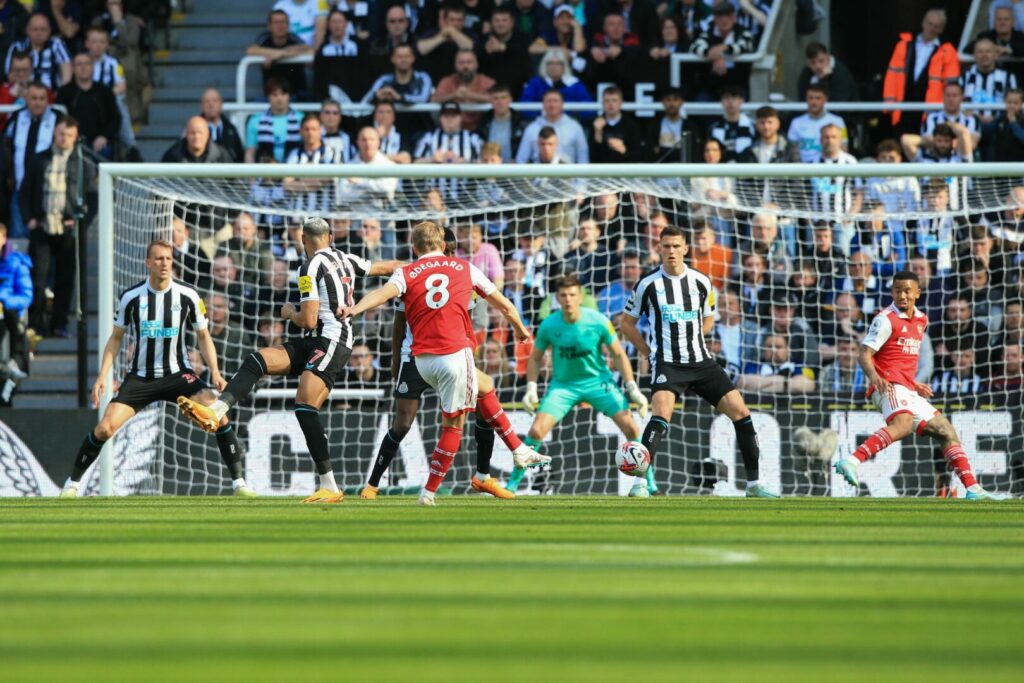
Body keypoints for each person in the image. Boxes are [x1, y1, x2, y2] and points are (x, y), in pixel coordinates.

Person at [177, 217, 401, 504]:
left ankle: (329, 485)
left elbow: (307, 319)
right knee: (258, 360)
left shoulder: (308, 267)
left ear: (303, 241)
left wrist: (287, 313)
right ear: (330, 237)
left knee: (305, 407)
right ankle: (217, 409)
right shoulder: (345, 258)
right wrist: (422, 265)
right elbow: (385, 267)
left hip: (331, 340)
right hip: (316, 340)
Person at [340, 221, 547, 506]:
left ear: (415, 247)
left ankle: (503, 460)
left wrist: (354, 309)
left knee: (484, 387)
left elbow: (381, 295)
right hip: (439, 354)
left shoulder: (408, 273)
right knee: (441, 425)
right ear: (442, 246)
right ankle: (426, 490)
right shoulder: (464, 269)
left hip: (422, 356)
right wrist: (522, 330)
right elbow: (505, 305)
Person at [59, 240, 252, 498]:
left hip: (178, 375)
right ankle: (71, 484)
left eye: (168, 259)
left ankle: (239, 484)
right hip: (141, 378)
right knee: (105, 428)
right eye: (159, 259)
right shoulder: (131, 297)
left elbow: (204, 337)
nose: (164, 264)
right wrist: (102, 375)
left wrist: (215, 372)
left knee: (219, 416)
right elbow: (116, 338)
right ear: (148, 263)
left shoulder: (189, 295)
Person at [620, 226, 780, 498]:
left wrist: (695, 334)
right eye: (666, 246)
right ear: (659, 248)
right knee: (660, 415)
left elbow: (709, 317)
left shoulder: (701, 282)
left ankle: (754, 485)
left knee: (741, 413)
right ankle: (640, 484)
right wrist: (648, 351)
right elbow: (626, 324)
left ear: (685, 249)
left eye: (676, 246)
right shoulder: (648, 284)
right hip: (668, 363)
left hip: (701, 361)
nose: (671, 251)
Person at [833, 271, 1001, 500]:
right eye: (897, 290)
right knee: (902, 425)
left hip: (907, 387)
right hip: (888, 385)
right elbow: (864, 354)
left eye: (907, 290)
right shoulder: (885, 319)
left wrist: (914, 383)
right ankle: (851, 461)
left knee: (946, 431)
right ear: (892, 292)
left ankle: (972, 488)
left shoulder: (922, 320)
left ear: (917, 293)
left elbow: (900, 358)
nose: (902, 295)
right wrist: (874, 377)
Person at [514, 274, 651, 495]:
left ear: (580, 297)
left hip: (599, 382)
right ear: (557, 299)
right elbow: (536, 357)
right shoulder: (549, 325)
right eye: (563, 295)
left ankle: (648, 484)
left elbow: (618, 354)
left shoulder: (598, 321)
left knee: (632, 427)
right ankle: (512, 485)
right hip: (563, 386)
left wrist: (632, 387)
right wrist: (531, 387)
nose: (568, 299)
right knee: (537, 431)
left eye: (572, 295)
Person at [21, 117, 93, 338]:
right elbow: (25, 191)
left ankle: (59, 324)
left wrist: (80, 220)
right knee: (39, 278)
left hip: (68, 230)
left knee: (65, 279)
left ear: (76, 137)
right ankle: (36, 323)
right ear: (54, 133)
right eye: (62, 134)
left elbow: (93, 198)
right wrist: (29, 218)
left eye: (70, 135)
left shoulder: (83, 163)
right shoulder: (39, 160)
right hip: (42, 226)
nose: (65, 139)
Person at [882, 9, 960, 135]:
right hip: (902, 104)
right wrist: (889, 104)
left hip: (930, 109)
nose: (932, 28)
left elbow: (950, 84)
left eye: (936, 26)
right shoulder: (904, 44)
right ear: (923, 23)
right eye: (930, 24)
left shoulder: (947, 51)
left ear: (941, 30)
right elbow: (892, 75)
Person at [689, 1, 755, 100]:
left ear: (734, 18)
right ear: (715, 19)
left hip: (737, 85)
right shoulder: (708, 33)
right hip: (712, 86)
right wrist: (713, 56)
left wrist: (725, 48)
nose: (724, 20)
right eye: (720, 16)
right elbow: (694, 47)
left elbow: (745, 46)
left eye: (728, 16)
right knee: (701, 100)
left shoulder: (743, 32)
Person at [55, 52, 119, 155]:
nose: (83, 67)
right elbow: (58, 118)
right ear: (73, 68)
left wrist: (104, 136)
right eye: (79, 64)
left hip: (99, 142)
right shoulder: (64, 92)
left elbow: (115, 118)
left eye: (87, 64)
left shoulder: (104, 91)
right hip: (70, 140)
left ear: (93, 67)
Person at [247, 9, 312, 97]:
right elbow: (251, 50)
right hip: (270, 96)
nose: (280, 26)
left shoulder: (293, 38)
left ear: (288, 25)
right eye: (276, 22)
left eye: (283, 22)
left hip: (297, 93)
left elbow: (310, 50)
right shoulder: (264, 38)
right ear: (269, 26)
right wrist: (283, 53)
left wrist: (279, 55)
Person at [516, 89, 589, 163]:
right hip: (538, 173)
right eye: (548, 101)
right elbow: (521, 160)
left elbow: (583, 158)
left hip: (569, 173)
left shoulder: (575, 128)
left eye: (555, 101)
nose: (552, 105)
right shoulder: (531, 129)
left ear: (562, 104)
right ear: (543, 104)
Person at [430, 49, 495, 132]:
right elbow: (434, 99)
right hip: (451, 131)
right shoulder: (447, 81)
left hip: (482, 130)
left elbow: (497, 98)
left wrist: (469, 95)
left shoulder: (486, 81)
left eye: (469, 62)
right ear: (455, 65)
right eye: (461, 63)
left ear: (476, 64)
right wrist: (454, 94)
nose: (465, 66)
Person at [3, 12, 71, 90]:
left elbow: (67, 73)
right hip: (22, 94)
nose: (39, 33)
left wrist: (62, 93)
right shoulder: (17, 47)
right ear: (27, 30)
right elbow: (9, 75)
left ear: (49, 31)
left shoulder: (56, 45)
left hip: (51, 96)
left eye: (43, 30)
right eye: (35, 29)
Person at [416, 1, 477, 83]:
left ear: (464, 21)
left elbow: (470, 47)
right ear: (445, 20)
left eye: (459, 20)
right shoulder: (431, 33)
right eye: (452, 20)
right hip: (433, 80)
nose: (455, 23)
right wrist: (442, 37)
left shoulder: (470, 34)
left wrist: (453, 33)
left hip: (461, 81)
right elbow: (421, 49)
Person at [786, 83, 848, 164]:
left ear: (825, 99)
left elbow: (844, 148)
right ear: (806, 99)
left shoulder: (838, 121)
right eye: (810, 98)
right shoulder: (796, 122)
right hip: (803, 171)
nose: (814, 102)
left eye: (818, 98)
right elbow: (792, 151)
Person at [0, 222, 31, 378]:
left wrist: (4, 301)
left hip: (9, 312)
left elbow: (26, 296)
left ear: (4, 238)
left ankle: (14, 360)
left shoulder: (17, 263)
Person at [243, 79, 302, 163]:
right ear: (268, 97)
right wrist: (251, 175)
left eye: (283, 94)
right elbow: (250, 153)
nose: (279, 99)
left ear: (289, 96)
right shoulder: (255, 121)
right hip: (265, 173)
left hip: (295, 172)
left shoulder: (301, 119)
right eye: (275, 95)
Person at [961, 37, 1017, 123]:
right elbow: (958, 100)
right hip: (970, 122)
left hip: (1000, 123)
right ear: (974, 55)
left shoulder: (1008, 76)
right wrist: (976, 116)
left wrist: (996, 118)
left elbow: (1015, 102)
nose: (984, 55)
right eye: (980, 52)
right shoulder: (964, 76)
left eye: (988, 51)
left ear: (996, 55)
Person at [361, 43, 433, 106]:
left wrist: (399, 97)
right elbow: (365, 102)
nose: (404, 60)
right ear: (392, 59)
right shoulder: (384, 80)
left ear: (413, 58)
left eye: (407, 56)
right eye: (400, 56)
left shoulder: (423, 78)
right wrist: (377, 97)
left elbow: (424, 98)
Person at [589, 85, 641, 163]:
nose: (610, 104)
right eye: (607, 101)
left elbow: (638, 156)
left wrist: (623, 150)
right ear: (602, 103)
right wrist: (598, 133)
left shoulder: (631, 125)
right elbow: (593, 158)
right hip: (602, 172)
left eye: (614, 100)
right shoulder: (595, 124)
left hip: (626, 172)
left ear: (621, 103)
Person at [478, 83, 527, 163]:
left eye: (503, 97)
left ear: (510, 99)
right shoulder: (483, 123)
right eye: (496, 98)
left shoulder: (521, 123)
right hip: (490, 170)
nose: (500, 102)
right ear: (490, 101)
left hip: (514, 170)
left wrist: (518, 162)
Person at [708, 84, 755, 158]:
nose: (730, 102)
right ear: (721, 102)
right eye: (726, 98)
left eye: (734, 97)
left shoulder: (752, 126)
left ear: (742, 101)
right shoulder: (715, 127)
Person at [162, 116, 231, 164]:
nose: (196, 137)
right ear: (186, 134)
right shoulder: (172, 155)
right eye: (192, 133)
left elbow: (235, 182)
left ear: (207, 135)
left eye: (200, 133)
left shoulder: (222, 156)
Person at [200, 87, 244, 162]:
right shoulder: (193, 129)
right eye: (207, 101)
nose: (211, 105)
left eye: (215, 100)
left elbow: (239, 157)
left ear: (221, 104)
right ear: (201, 106)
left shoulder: (231, 130)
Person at [980, 87, 1024, 161]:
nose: (1012, 106)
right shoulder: (1000, 118)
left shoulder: (1022, 120)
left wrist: (1013, 123)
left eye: (1016, 103)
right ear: (1005, 102)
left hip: (1019, 165)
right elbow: (985, 132)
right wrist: (979, 118)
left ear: (1021, 104)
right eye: (1009, 102)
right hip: (1000, 164)